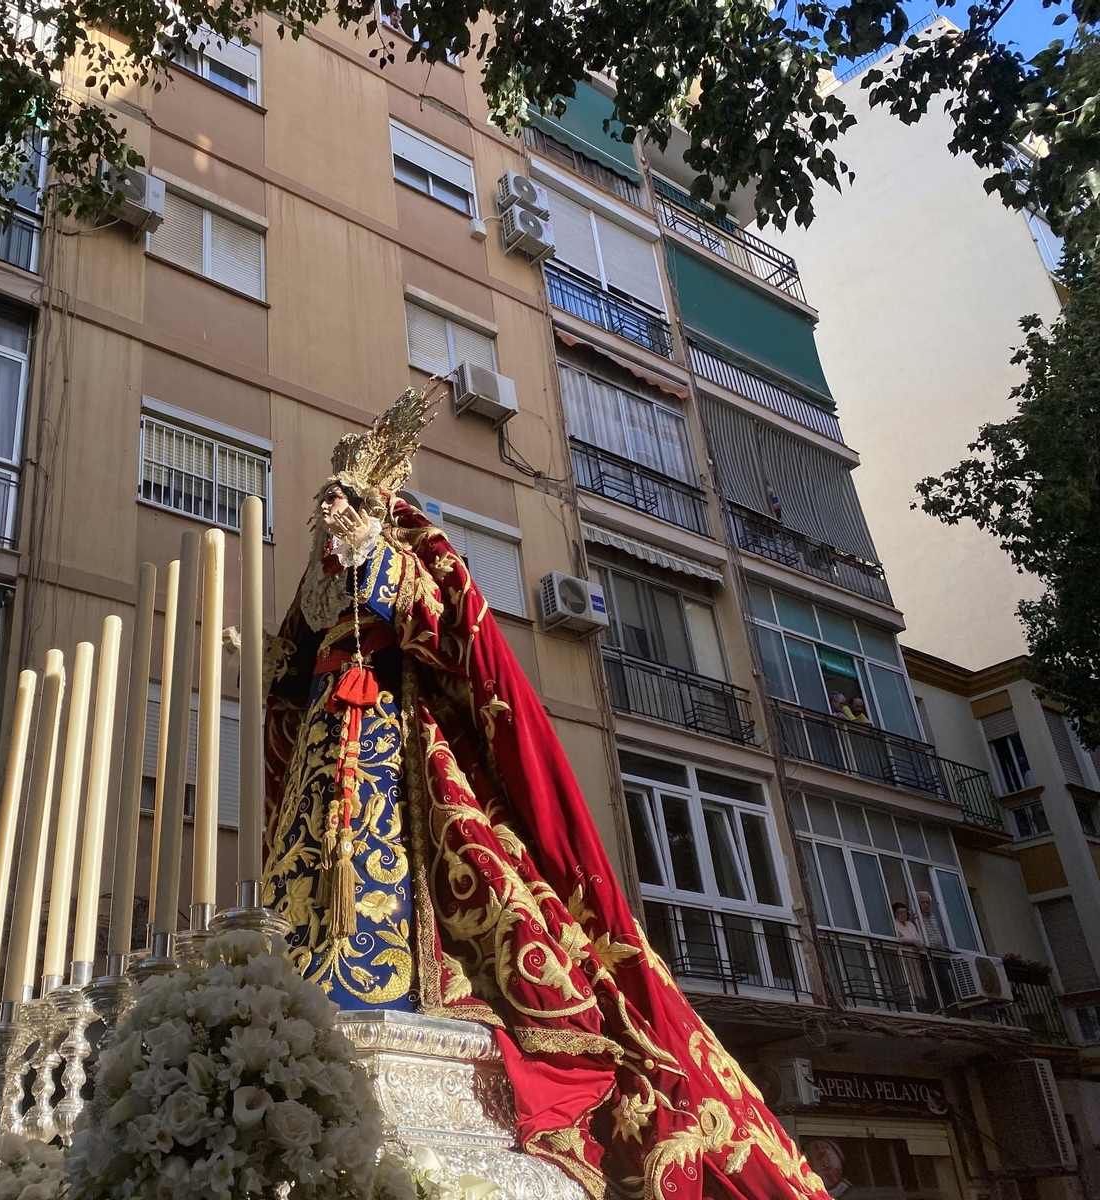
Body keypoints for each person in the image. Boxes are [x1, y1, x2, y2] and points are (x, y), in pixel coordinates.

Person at [264, 387, 830, 1200]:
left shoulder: (405, 545)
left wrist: (380, 562)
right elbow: (293, 657)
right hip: (329, 740)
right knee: (313, 862)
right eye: (323, 507)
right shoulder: (317, 584)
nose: (328, 515)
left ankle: (403, 974)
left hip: (394, 737)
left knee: (427, 868)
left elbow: (457, 626)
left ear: (374, 502)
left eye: (341, 502)